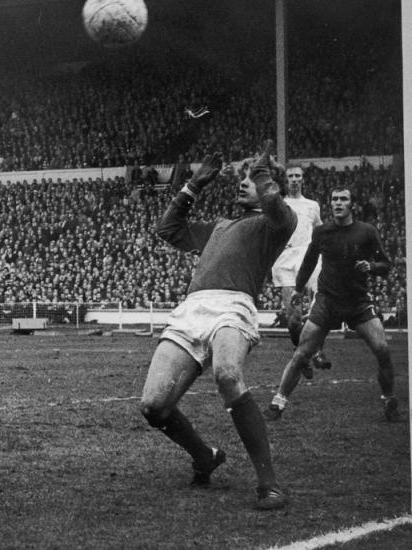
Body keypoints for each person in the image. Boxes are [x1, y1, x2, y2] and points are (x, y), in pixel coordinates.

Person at [139, 141, 295, 511]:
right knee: (153, 406)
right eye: (242, 179)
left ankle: (269, 484)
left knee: (228, 375)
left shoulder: (277, 223)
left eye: (250, 180)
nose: (242, 184)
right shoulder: (220, 227)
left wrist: (263, 173)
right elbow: (167, 229)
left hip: (232, 306)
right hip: (193, 308)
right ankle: (205, 455)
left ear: (271, 186)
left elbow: (274, 203)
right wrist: (193, 185)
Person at [264, 187, 399, 422]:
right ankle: (278, 403)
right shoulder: (322, 232)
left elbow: (386, 264)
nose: (338, 203)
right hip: (328, 302)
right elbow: (308, 262)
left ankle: (389, 401)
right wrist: (297, 289)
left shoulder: (367, 232)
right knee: (301, 353)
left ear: (351, 204)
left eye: (343, 199)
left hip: (358, 302)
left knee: (383, 350)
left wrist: (372, 266)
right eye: (334, 199)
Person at [270, 165, 329, 378]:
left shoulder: (312, 205)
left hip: (308, 256)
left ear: (303, 179)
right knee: (293, 318)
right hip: (284, 258)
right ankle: (301, 353)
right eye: (291, 176)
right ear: (285, 180)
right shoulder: (279, 204)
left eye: (298, 176)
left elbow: (320, 230)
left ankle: (317, 351)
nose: (294, 179)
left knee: (318, 307)